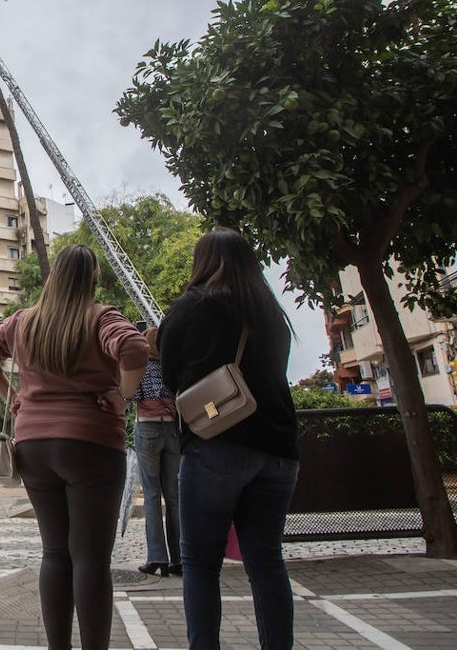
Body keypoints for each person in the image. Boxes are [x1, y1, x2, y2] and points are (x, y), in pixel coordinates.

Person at [0, 245, 148, 650]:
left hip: (33, 447)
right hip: (91, 445)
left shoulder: (23, 323)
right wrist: (122, 398)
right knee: (89, 558)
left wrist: (12, 396)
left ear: (53, 279)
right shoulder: (101, 317)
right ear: (92, 279)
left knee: (55, 552)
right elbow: (135, 349)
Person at [158, 228, 298, 650]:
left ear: (203, 261)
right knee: (267, 561)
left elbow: (168, 377)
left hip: (215, 444)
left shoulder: (191, 306)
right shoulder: (272, 313)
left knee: (201, 564)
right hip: (279, 451)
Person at [133, 324, 180, 578]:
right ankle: (179, 558)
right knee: (174, 497)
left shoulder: (141, 369)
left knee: (152, 496)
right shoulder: (172, 368)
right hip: (173, 431)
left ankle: (157, 557)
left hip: (148, 429)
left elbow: (132, 397)